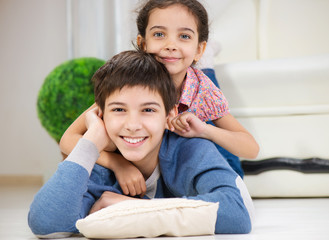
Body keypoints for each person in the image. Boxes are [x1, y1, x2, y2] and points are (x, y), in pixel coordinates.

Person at [28, 50, 254, 238]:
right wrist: (90, 141)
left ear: (169, 115)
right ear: (100, 114)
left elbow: (237, 214)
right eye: (118, 110)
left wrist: (129, 207)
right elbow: (45, 223)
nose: (132, 125)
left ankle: (207, 65)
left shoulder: (191, 149)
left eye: (148, 110)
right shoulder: (101, 165)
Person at [59, 0, 259, 198]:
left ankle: (207, 63)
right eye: (159, 34)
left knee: (234, 175)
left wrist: (204, 129)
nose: (171, 45)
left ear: (199, 48)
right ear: (143, 43)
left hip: (191, 141)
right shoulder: (129, 86)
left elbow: (251, 149)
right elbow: (68, 141)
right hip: (152, 162)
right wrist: (119, 164)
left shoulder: (203, 90)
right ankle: (201, 59)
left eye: (184, 36)